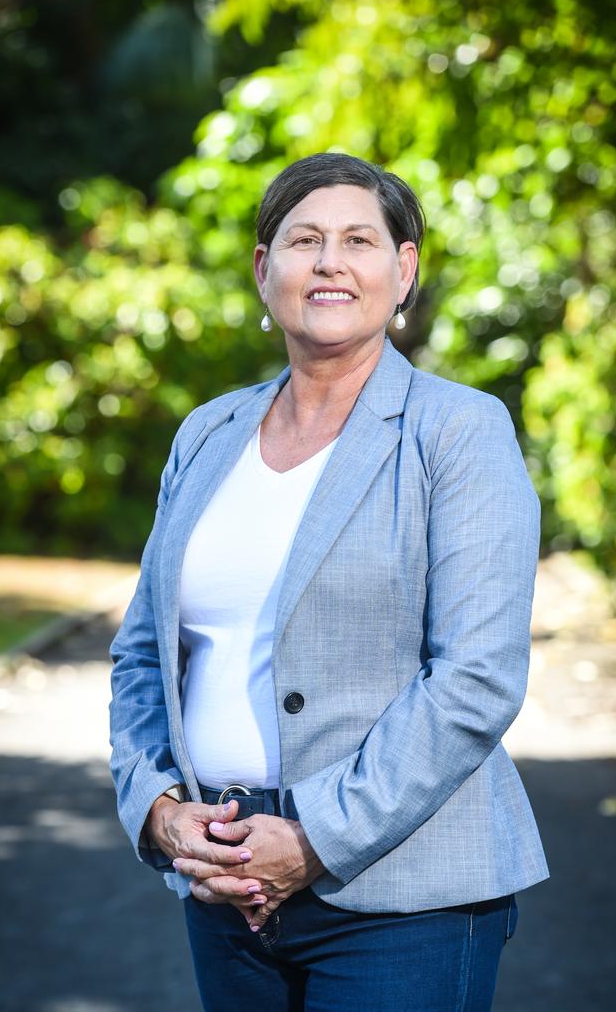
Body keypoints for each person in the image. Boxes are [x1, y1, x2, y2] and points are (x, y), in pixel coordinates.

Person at [108, 152, 549, 1011]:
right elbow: (140, 656)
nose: (329, 262)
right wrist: (157, 807)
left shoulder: (458, 431)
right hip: (225, 882)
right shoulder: (207, 433)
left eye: (359, 240)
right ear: (264, 269)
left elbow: (476, 677)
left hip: (407, 896)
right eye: (303, 239)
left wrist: (314, 837)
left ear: (404, 269)